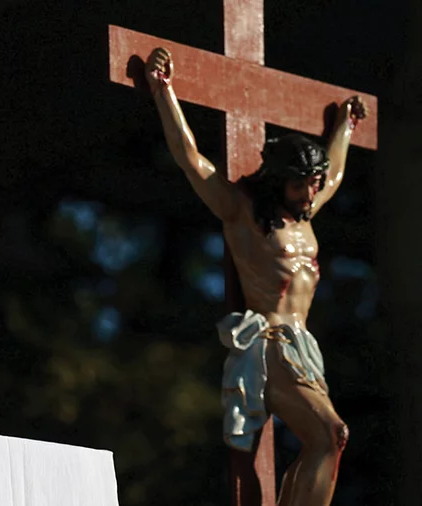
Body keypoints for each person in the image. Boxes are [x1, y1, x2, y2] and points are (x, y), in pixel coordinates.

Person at [144, 47, 366, 505]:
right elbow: (192, 160)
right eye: (300, 183)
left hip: (305, 349)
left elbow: (338, 173)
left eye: (314, 183)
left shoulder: (306, 215)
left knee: (331, 440)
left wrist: (344, 127)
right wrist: (163, 91)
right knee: (330, 433)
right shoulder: (243, 213)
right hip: (272, 346)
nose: (310, 192)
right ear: (278, 179)